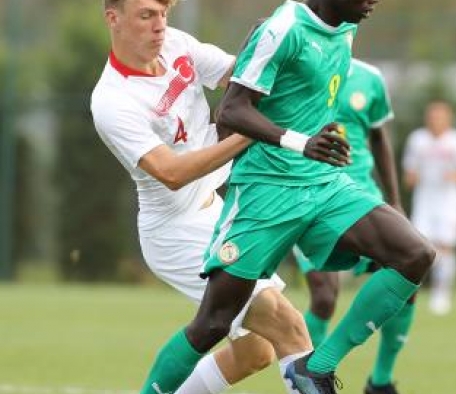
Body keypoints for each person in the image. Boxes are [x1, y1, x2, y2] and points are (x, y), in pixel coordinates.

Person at [137, 0, 436, 393]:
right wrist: (300, 142)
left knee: (415, 254)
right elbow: (230, 111)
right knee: (213, 323)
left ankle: (318, 369)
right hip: (266, 192)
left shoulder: (344, 24)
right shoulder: (285, 29)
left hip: (324, 185)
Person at [90, 1, 313, 394]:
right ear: (113, 18)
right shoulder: (112, 100)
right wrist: (256, 132)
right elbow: (172, 174)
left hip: (216, 211)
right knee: (287, 324)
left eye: (164, 13)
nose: (160, 26)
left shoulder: (177, 44)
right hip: (175, 231)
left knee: (255, 352)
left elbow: (243, 79)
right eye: (146, 15)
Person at [292, 58, 415, 394]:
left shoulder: (370, 78)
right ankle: (308, 379)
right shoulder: (297, 68)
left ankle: (381, 381)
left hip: (363, 198)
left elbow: (379, 138)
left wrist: (394, 200)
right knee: (324, 296)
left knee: (411, 269)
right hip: (311, 198)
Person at [402, 100, 456, 315]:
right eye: (432, 116)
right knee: (420, 248)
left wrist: (455, 175)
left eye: (439, 117)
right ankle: (411, 293)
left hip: (450, 202)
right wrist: (412, 177)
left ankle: (441, 293)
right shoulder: (417, 140)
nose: (435, 121)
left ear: (448, 119)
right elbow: (409, 173)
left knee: (446, 246)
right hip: (424, 201)